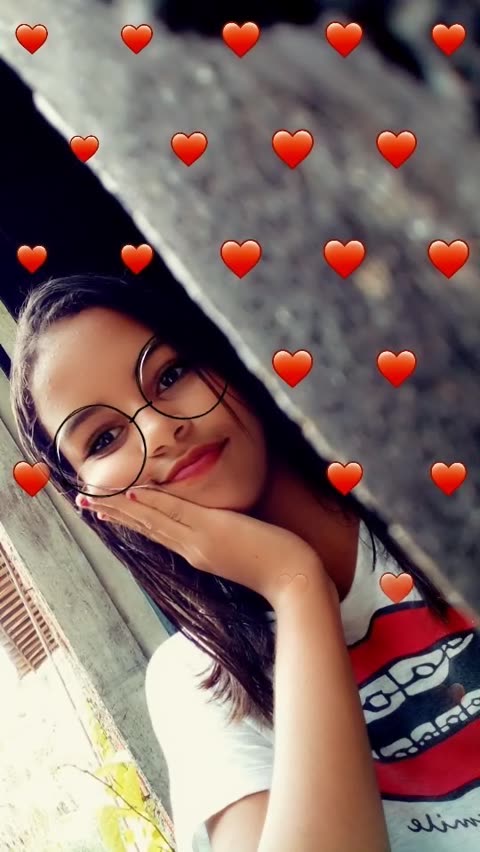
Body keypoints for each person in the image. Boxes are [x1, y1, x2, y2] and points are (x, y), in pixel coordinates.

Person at [10, 274, 479, 852]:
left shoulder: (437, 485)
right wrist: (294, 583)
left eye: (171, 375)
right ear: (91, 501)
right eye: (104, 439)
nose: (159, 429)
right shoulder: (196, 683)